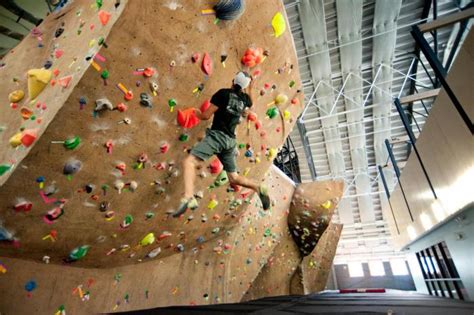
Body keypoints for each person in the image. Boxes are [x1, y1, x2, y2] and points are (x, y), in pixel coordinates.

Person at [173, 71, 270, 217]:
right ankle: (258, 187)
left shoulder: (223, 94)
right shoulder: (244, 100)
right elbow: (251, 101)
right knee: (234, 178)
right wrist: (251, 86)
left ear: (233, 80)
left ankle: (188, 197)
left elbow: (205, 116)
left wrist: (195, 112)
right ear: (245, 87)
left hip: (217, 137)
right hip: (230, 142)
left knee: (189, 162)